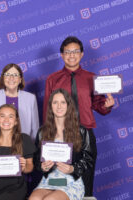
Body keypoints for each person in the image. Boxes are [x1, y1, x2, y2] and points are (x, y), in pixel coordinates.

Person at [43, 36, 114, 196]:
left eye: (75, 51)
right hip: (61, 136)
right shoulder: (52, 79)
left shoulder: (92, 78)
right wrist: (48, 137)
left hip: (85, 134)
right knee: (60, 181)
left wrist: (106, 106)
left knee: (86, 181)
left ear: (82, 54)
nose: (71, 55)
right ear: (62, 55)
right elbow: (48, 109)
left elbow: (98, 105)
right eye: (67, 52)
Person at [29, 89, 94, 200]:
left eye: (63, 102)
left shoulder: (82, 131)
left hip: (71, 181)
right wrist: (42, 166)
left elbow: (89, 159)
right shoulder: (42, 132)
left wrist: (73, 169)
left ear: (68, 105)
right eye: (55, 102)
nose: (59, 106)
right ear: (50, 106)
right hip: (48, 180)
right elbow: (36, 159)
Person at [0, 104, 34, 200]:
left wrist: (24, 167)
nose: (6, 120)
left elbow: (30, 167)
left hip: (15, 188)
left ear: (16, 121)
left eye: (11, 116)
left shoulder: (24, 139)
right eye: (2, 116)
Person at [0, 63, 39, 140]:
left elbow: (35, 128)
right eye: (7, 74)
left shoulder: (31, 99)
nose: (11, 78)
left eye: (15, 75)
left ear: (20, 79)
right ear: (3, 78)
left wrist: (33, 148)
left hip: (23, 146)